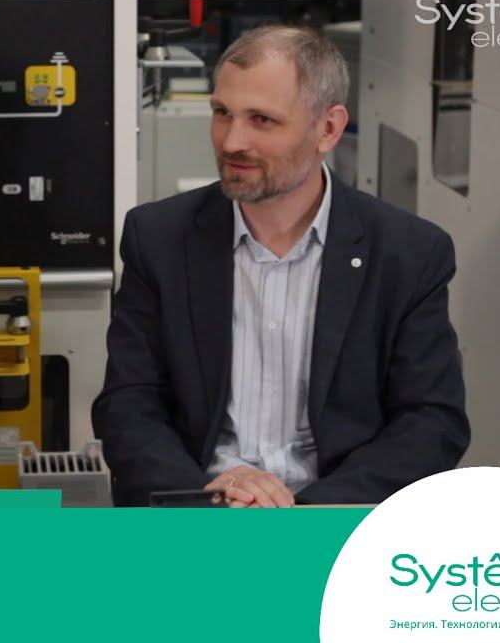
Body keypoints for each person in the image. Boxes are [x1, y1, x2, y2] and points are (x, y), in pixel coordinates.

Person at [92, 25, 468, 507]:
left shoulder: (408, 253)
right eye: (222, 113)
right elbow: (128, 403)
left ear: (327, 129)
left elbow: (432, 421)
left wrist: (304, 515)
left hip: (333, 515)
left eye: (262, 120)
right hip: (199, 509)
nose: (232, 141)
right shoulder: (159, 237)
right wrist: (204, 494)